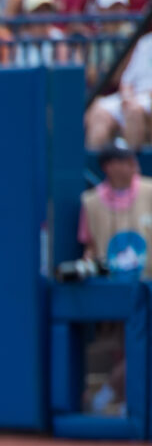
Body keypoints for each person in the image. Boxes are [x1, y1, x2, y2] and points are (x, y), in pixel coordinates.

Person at [79, 139, 152, 279]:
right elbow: (90, 247)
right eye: (124, 160)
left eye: (132, 158)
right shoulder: (90, 202)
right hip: (110, 289)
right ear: (109, 166)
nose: (133, 163)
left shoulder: (150, 191)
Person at [85, 29, 152, 147]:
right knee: (98, 110)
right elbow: (126, 80)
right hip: (133, 97)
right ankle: (93, 165)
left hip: (145, 101)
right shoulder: (145, 42)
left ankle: (129, 164)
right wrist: (127, 96)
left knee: (133, 112)